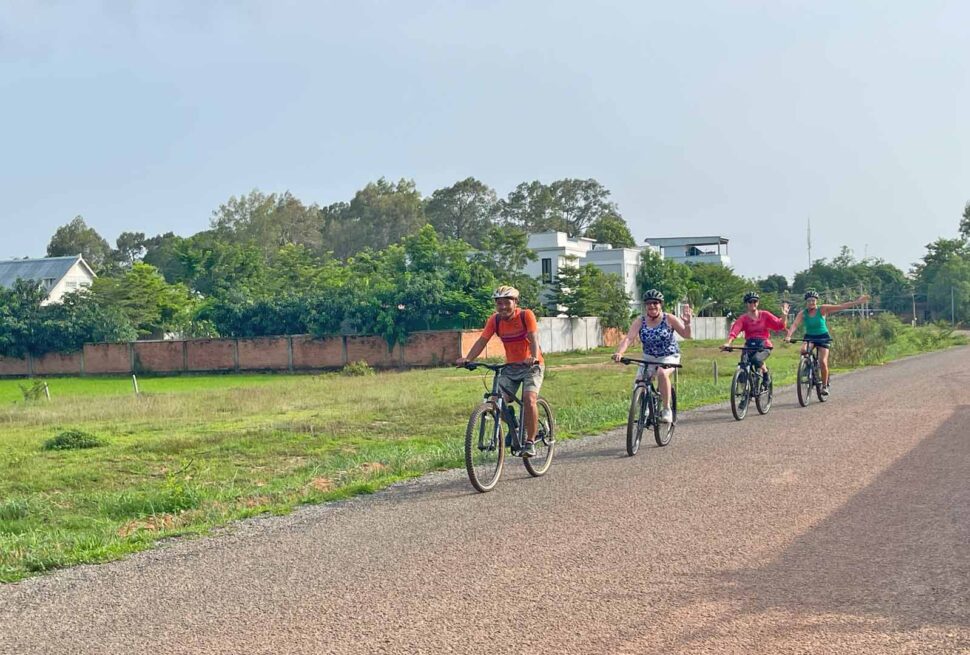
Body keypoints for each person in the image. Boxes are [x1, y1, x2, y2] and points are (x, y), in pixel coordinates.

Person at [456, 285, 544, 457]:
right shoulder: (495, 320)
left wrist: (532, 356)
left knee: (529, 399)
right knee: (497, 401)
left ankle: (530, 442)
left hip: (531, 366)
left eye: (506, 303)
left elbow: (533, 338)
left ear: (515, 302)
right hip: (510, 367)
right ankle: (515, 427)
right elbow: (482, 340)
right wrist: (468, 358)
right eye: (499, 303)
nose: (503, 307)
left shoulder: (526, 315)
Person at [612, 289, 692, 423]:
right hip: (648, 357)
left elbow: (686, 335)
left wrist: (688, 323)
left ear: (660, 304)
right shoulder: (640, 321)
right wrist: (620, 352)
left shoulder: (669, 318)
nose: (652, 306)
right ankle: (646, 407)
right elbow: (629, 338)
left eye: (655, 303)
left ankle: (666, 409)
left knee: (662, 373)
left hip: (669, 356)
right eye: (649, 303)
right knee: (639, 382)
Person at [784, 289, 870, 395]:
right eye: (809, 300)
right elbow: (795, 325)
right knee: (803, 350)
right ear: (806, 302)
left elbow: (841, 306)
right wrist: (788, 336)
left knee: (823, 361)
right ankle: (807, 367)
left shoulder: (822, 309)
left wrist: (857, 302)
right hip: (810, 337)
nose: (811, 302)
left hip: (823, 337)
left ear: (816, 301)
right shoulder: (803, 313)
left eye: (813, 300)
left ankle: (824, 386)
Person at [721, 291, 790, 388]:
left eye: (755, 301)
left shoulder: (765, 315)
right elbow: (734, 331)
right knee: (743, 366)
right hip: (749, 346)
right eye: (750, 302)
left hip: (764, 345)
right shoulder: (743, 318)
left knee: (756, 359)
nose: (753, 304)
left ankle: (766, 375)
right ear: (746, 304)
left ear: (758, 303)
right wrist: (728, 343)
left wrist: (784, 315)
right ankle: (745, 395)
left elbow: (779, 325)